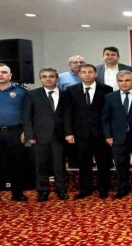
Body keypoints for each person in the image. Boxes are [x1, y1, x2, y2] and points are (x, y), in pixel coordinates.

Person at [64, 63, 113, 199]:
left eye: (90, 72)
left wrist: (109, 132)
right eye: (84, 72)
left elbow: (110, 113)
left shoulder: (106, 89)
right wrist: (68, 132)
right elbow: (68, 113)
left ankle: (103, 189)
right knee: (84, 163)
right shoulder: (71, 90)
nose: (87, 75)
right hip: (80, 133)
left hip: (101, 133)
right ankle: (85, 189)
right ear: (79, 74)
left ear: (95, 74)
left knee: (103, 163)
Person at [102, 70, 132, 199]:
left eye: (127, 80)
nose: (124, 83)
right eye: (121, 81)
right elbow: (105, 118)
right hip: (118, 137)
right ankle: (122, 189)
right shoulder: (110, 97)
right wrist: (107, 135)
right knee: (120, 165)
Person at [23, 68, 69, 201]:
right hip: (39, 136)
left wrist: (69, 133)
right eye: (44, 76)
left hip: (59, 136)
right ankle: (43, 191)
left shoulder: (65, 94)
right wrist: (29, 135)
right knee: (41, 166)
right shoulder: (32, 94)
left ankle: (61, 190)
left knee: (60, 165)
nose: (48, 78)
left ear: (57, 78)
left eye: (51, 76)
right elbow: (27, 116)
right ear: (40, 79)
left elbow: (68, 115)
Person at [0, 63, 27, 201]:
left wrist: (25, 131)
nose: (1, 75)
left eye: (4, 72)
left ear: (10, 75)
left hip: (15, 132)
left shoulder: (21, 92)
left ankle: (17, 193)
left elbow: (28, 113)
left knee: (17, 163)